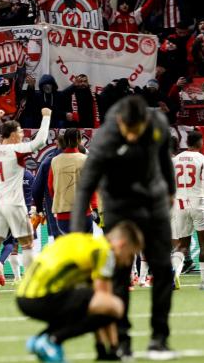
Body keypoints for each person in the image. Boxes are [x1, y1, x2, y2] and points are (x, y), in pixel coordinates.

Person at [70, 95, 176, 360]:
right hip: (119, 206)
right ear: (119, 122)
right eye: (127, 130)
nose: (132, 136)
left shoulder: (158, 125)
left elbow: (165, 159)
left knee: (163, 268)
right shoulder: (105, 140)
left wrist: (171, 192)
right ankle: (123, 341)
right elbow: (86, 187)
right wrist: (75, 235)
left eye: (136, 130)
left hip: (153, 201)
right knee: (119, 274)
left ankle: (159, 339)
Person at [17, 222, 144, 363]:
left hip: (24, 296)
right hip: (42, 296)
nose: (128, 262)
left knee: (86, 302)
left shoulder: (88, 242)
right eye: (130, 255)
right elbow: (105, 302)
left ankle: (39, 340)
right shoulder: (104, 251)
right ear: (122, 244)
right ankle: (51, 340)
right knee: (115, 306)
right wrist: (114, 347)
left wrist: (102, 349)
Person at [0, 108, 51, 299]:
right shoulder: (15, 150)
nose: (22, 135)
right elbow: (41, 141)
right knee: (27, 245)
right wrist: (46, 117)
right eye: (20, 132)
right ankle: (31, 285)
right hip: (14, 204)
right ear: (11, 135)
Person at [170, 130, 204, 290]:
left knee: (182, 245)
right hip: (198, 203)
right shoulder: (202, 159)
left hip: (180, 204)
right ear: (200, 142)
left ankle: (174, 275)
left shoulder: (175, 160)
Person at [49, 128, 97, 235]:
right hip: (83, 213)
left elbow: (51, 187)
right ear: (80, 140)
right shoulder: (85, 159)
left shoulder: (55, 161)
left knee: (69, 249)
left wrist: (60, 201)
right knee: (86, 249)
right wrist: (95, 207)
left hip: (62, 215)